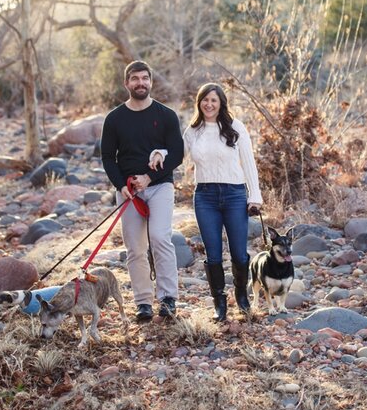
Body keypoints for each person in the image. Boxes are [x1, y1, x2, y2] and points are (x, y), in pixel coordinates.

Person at [170, 83, 262, 322]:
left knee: (239, 253)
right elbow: (175, 157)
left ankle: (241, 296)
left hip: (234, 195)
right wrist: (158, 153)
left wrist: (255, 196)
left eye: (214, 100)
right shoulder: (193, 131)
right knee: (213, 255)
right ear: (199, 103)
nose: (209, 104)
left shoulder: (235, 127)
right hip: (205, 197)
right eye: (204, 100)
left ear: (221, 103)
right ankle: (219, 304)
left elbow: (249, 163)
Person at [100, 61, 184, 321]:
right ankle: (143, 302)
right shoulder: (114, 119)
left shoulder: (166, 115)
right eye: (134, 79)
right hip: (128, 192)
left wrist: (150, 177)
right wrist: (120, 186)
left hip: (160, 186)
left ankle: (168, 298)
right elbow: (107, 157)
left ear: (151, 82)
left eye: (144, 78)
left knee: (160, 237)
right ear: (126, 84)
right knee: (135, 248)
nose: (140, 83)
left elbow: (178, 154)